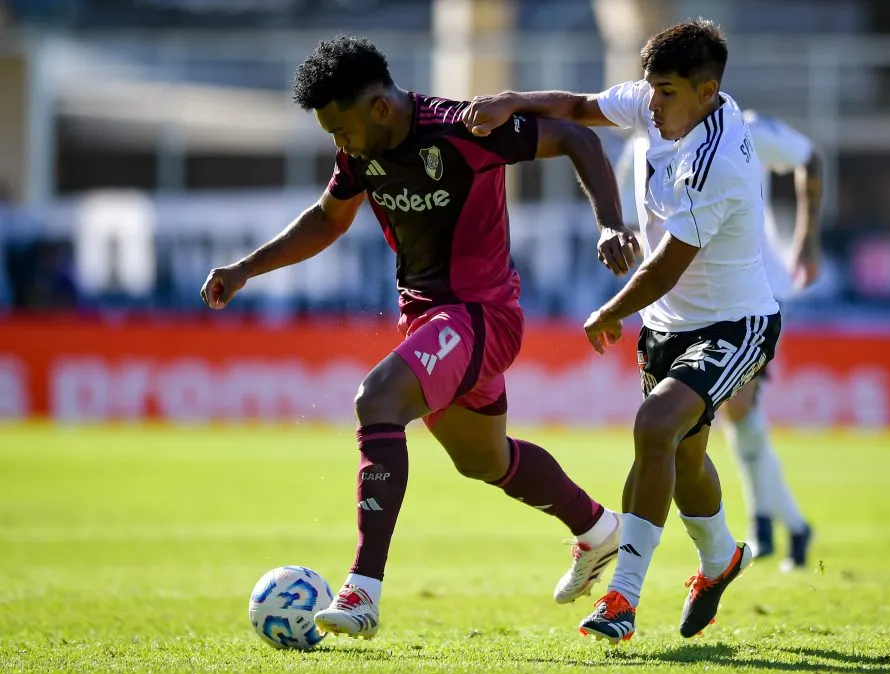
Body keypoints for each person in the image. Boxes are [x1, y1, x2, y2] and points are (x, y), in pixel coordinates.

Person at [200, 35, 634, 640]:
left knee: (377, 400)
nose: (337, 143)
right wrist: (246, 268)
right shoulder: (359, 154)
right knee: (484, 459)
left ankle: (362, 590)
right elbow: (328, 218)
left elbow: (578, 137)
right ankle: (597, 529)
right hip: (433, 322)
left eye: (340, 128)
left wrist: (611, 222)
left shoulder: (463, 130)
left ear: (379, 107)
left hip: (481, 315)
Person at [462, 18, 781, 642]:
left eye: (664, 92)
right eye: (650, 88)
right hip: (668, 327)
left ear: (707, 92)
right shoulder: (662, 102)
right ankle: (721, 560)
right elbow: (580, 107)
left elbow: (666, 265)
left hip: (734, 322)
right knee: (683, 459)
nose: (650, 101)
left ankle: (622, 600)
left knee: (654, 427)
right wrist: (511, 101)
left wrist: (610, 312)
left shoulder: (716, 160)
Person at [615, 109, 821, 570]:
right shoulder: (644, 141)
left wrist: (806, 241)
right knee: (729, 422)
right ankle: (784, 523)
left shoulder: (740, 129)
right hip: (683, 313)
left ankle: (770, 525)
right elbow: (631, 217)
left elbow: (810, 158)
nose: (660, 102)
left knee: (737, 413)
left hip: (747, 299)